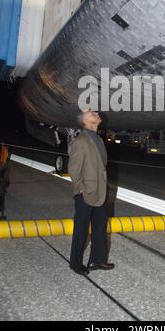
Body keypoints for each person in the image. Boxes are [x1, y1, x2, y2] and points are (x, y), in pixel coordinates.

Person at [68, 110, 114, 276]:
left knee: (100, 227)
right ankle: (75, 263)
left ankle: (97, 260)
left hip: (100, 192)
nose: (95, 113)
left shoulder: (98, 139)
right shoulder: (81, 141)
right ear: (86, 121)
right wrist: (81, 189)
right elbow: (73, 169)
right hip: (86, 192)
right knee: (81, 229)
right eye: (91, 113)